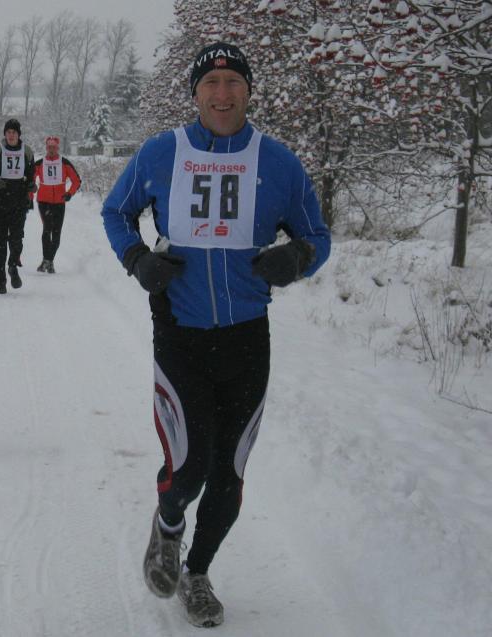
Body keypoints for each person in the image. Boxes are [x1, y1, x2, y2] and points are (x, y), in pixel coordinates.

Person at [101, 42, 331, 628]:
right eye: (211, 82)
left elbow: (318, 234)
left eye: (233, 82)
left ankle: (197, 573)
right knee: (190, 466)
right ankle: (168, 523)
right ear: (195, 92)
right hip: (180, 332)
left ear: (248, 91)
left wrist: (299, 257)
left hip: (247, 337)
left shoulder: (277, 162)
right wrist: (136, 259)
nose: (222, 94)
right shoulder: (161, 153)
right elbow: (115, 211)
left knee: (229, 476)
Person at [0, 119, 35, 294]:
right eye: (8, 132)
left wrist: (31, 185)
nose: (11, 135)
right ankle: (1, 280)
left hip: (19, 203)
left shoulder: (27, 152)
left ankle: (12, 265)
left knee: (17, 239)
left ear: (19, 134)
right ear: (4, 134)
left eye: (14, 132)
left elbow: (31, 174)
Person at [33, 136, 82, 273]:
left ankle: (48, 261)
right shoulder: (39, 163)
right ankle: (47, 261)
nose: (51, 150)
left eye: (54, 147)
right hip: (44, 201)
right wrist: (31, 189)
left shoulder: (64, 163)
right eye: (49, 147)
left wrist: (69, 193)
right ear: (46, 148)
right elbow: (30, 179)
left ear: (57, 148)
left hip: (60, 202)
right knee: (47, 229)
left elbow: (77, 181)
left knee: (56, 232)